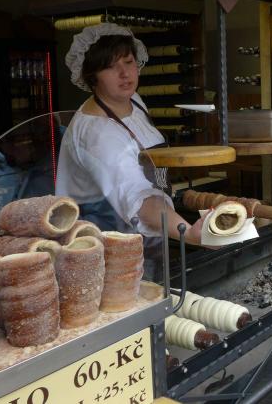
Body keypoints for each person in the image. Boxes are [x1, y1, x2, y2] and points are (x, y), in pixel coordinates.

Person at [56, 23, 202, 244]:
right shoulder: (98, 133)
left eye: (128, 61)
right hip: (104, 240)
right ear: (92, 77)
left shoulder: (133, 100)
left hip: (150, 228)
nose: (124, 74)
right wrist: (188, 233)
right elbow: (136, 197)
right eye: (110, 67)